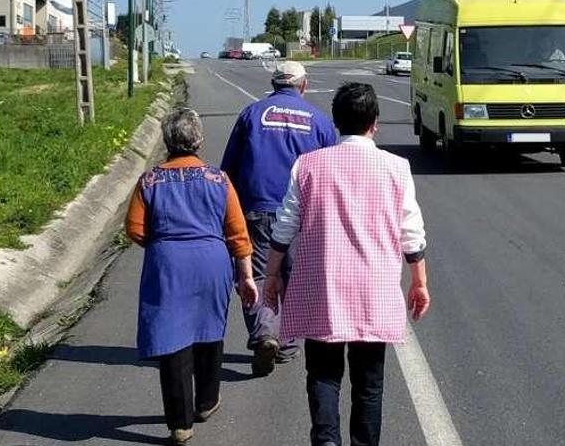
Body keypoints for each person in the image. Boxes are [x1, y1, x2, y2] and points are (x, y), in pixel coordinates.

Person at [264, 83, 431, 446]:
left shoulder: (308, 165)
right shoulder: (396, 168)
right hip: (374, 290)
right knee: (369, 382)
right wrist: (419, 281)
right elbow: (411, 232)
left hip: (323, 288)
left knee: (323, 375)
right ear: (375, 122)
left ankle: (326, 442)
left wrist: (272, 276)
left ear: (336, 122)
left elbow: (285, 225)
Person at [126, 108, 257, 445]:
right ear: (199, 139)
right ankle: (207, 400)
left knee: (172, 339)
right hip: (212, 262)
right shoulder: (219, 180)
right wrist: (246, 277)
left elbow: (135, 229)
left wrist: (162, 243)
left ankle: (180, 424)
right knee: (209, 329)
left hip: (167, 263)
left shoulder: (150, 180)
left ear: (167, 140)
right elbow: (238, 234)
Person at [220, 61, 338, 376]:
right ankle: (286, 343)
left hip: (256, 209)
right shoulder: (320, 121)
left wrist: (226, 211)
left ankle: (263, 333)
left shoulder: (251, 114)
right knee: (295, 278)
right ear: (304, 85)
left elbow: (228, 167)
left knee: (256, 274)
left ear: (273, 85)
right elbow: (332, 172)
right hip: (301, 214)